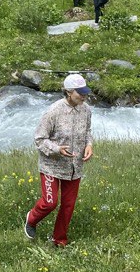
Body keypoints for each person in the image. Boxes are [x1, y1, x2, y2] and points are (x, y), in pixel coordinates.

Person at [25, 73, 94, 247]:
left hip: (74, 167)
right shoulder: (53, 111)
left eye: (85, 92)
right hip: (52, 166)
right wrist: (57, 149)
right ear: (69, 92)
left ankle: (59, 239)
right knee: (50, 203)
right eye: (80, 93)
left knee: (68, 205)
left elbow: (87, 132)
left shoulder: (86, 109)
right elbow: (39, 139)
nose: (84, 96)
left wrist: (89, 145)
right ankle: (31, 219)